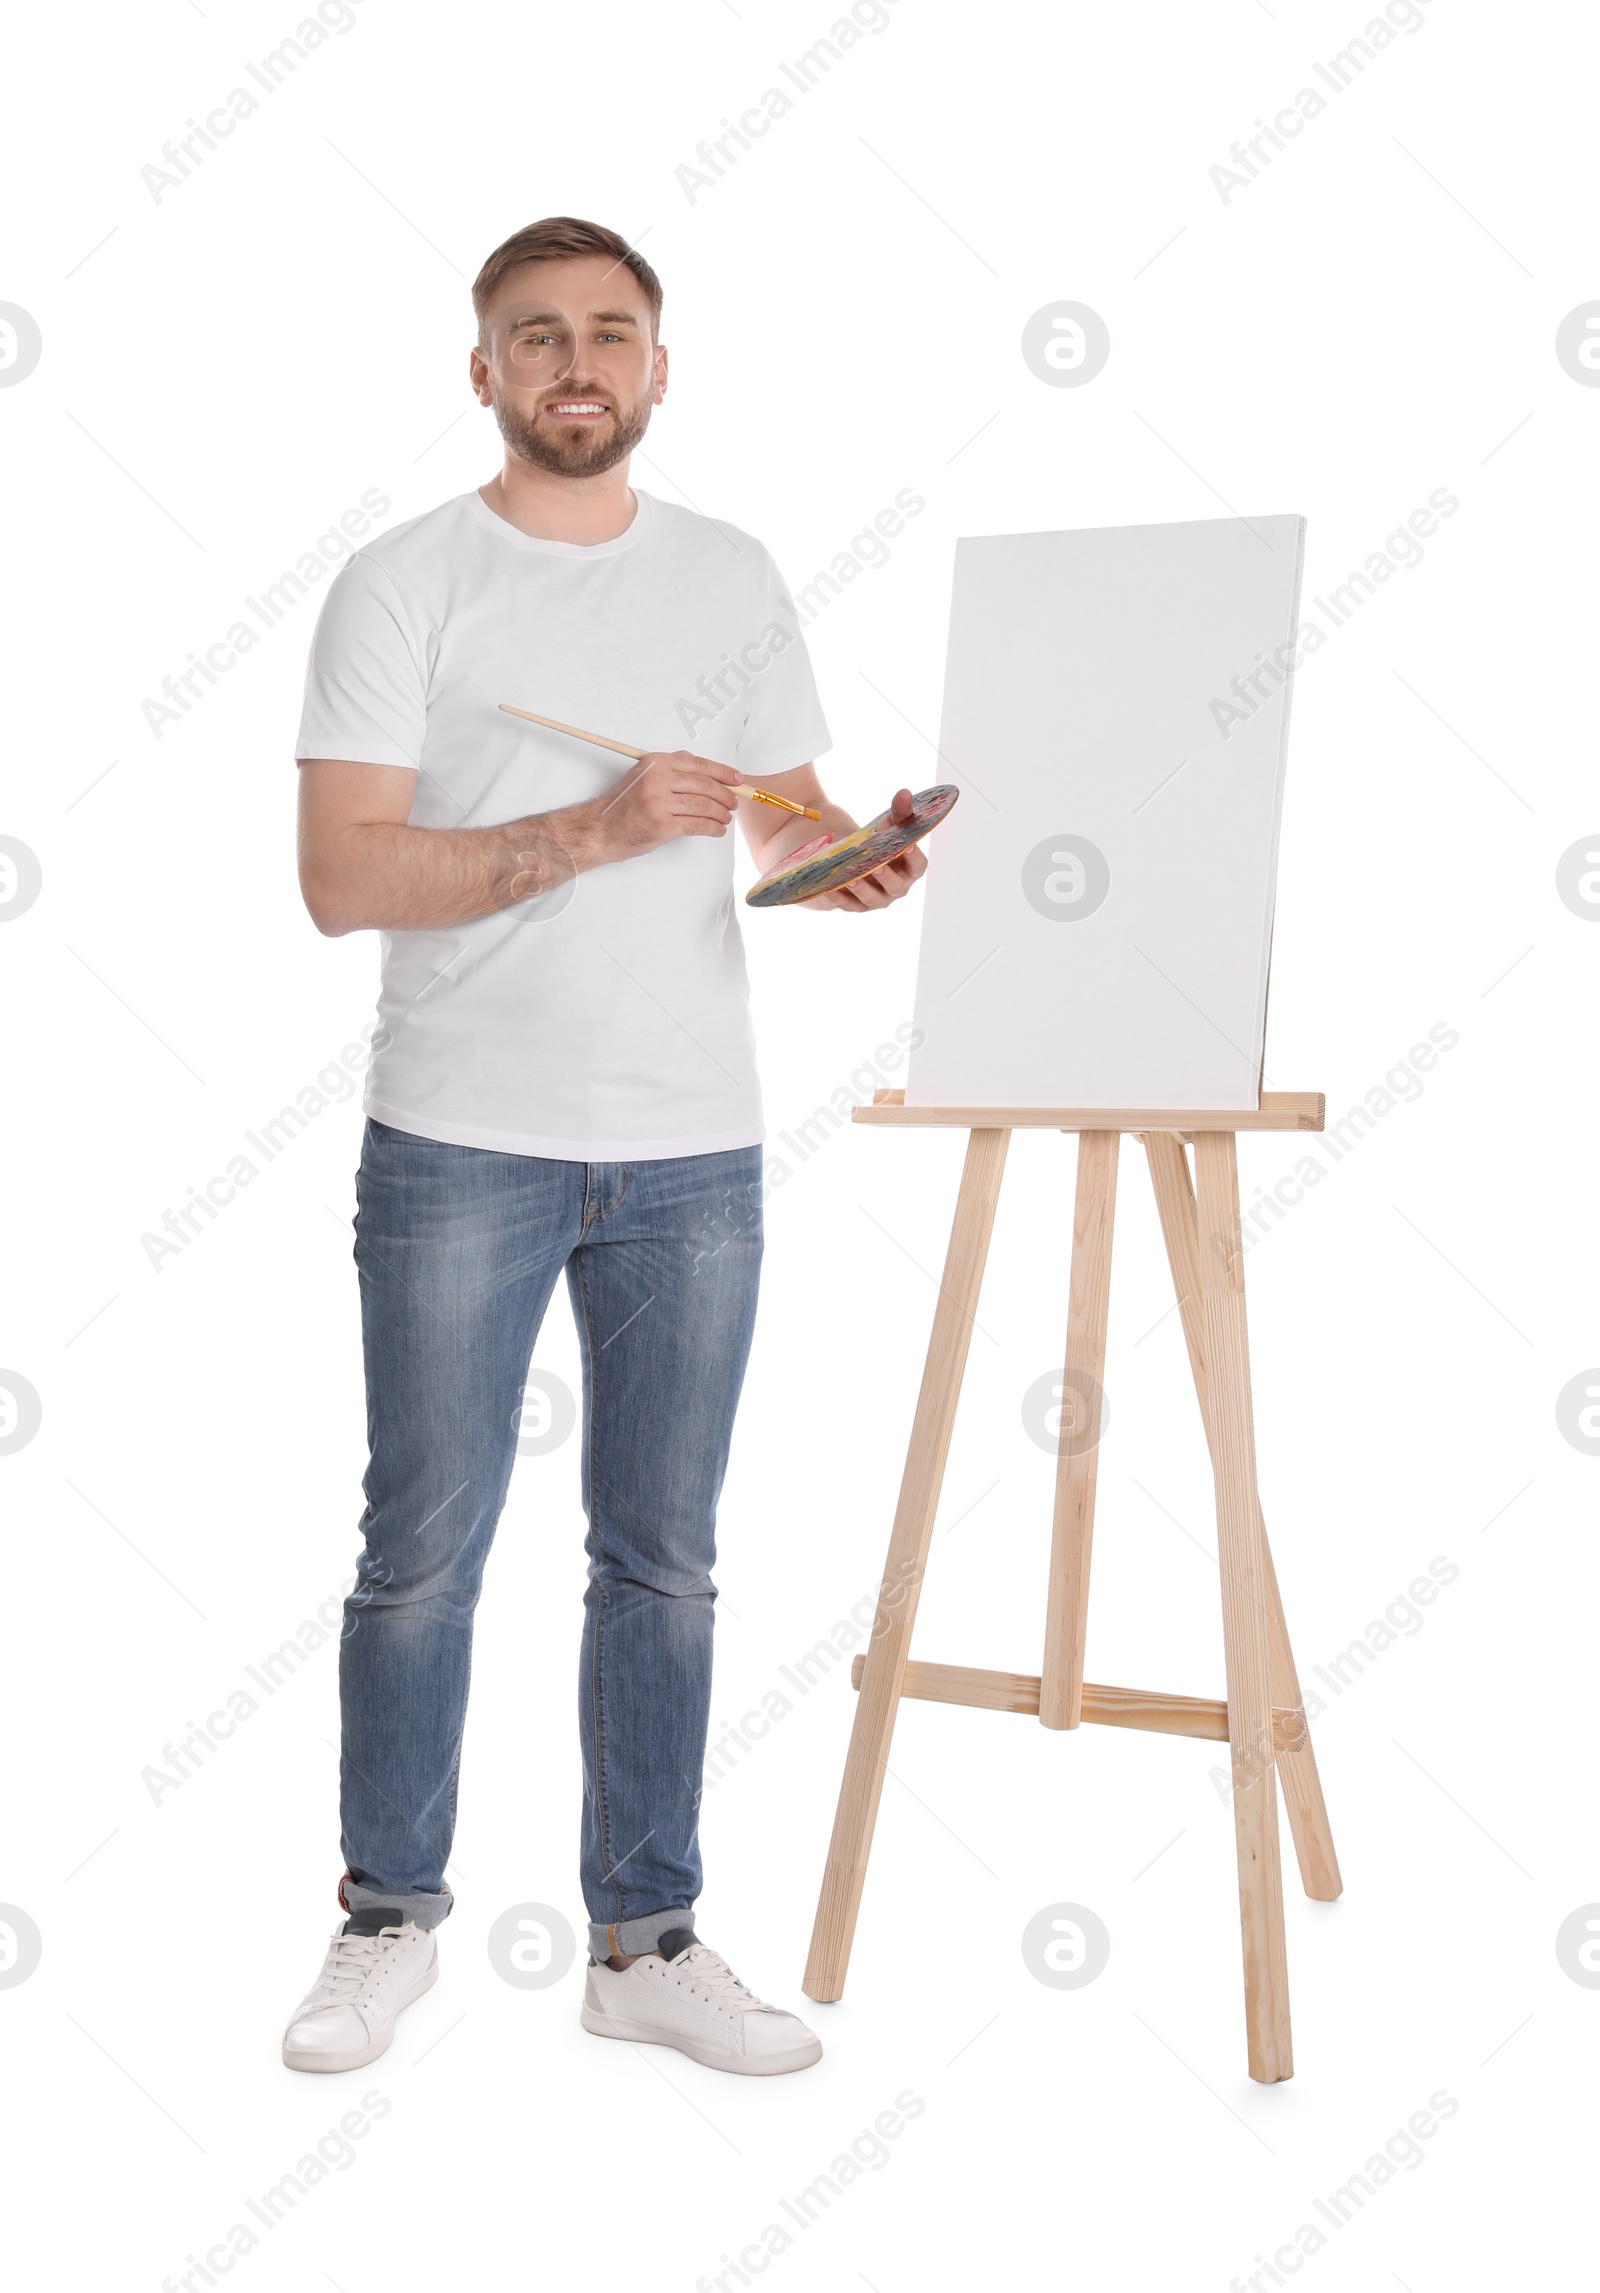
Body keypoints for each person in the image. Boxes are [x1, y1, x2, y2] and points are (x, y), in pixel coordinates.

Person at [281, 215, 926, 2077]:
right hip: (458, 1135)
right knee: (422, 1551)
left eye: (613, 334)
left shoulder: (732, 576)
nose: (580, 362)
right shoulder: (403, 583)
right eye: (539, 334)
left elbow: (779, 831)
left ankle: (647, 1940)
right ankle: (384, 1919)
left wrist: (842, 868)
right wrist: (588, 827)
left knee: (666, 1555)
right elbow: (341, 878)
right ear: (482, 370)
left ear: (661, 367)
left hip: (692, 1148)